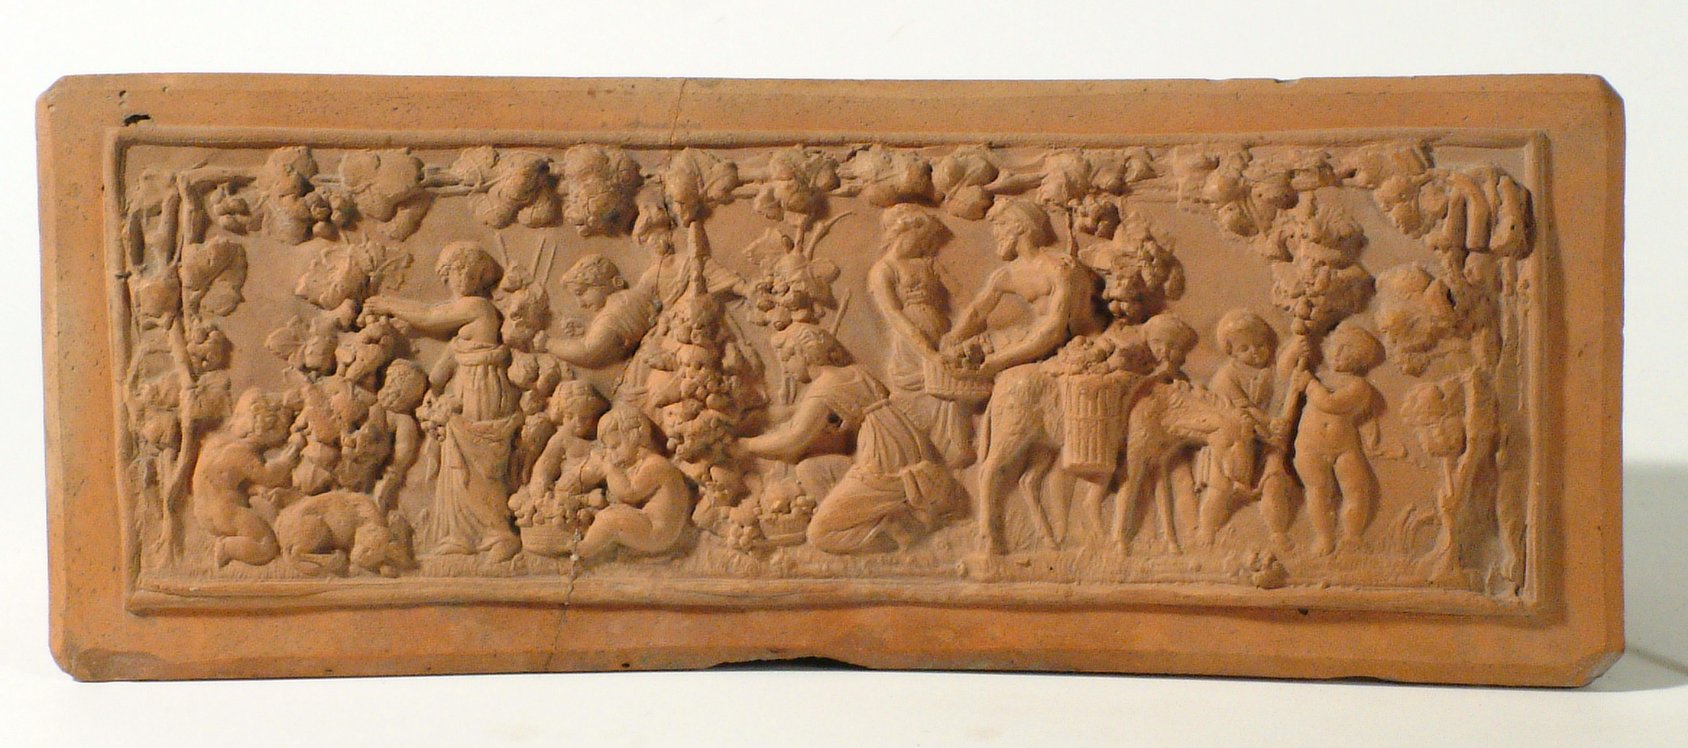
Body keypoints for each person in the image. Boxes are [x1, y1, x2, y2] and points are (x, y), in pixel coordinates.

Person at [743, 323, 965, 554]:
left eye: (787, 360)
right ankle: (884, 514)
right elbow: (854, 416)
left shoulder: (824, 387)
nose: (787, 369)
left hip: (882, 456)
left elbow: (793, 439)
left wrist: (748, 445)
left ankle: (904, 531)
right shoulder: (856, 372)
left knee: (820, 535)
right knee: (810, 469)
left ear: (803, 354)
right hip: (901, 441)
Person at [366, 241, 521, 560]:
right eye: (452, 273)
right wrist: (431, 391)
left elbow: (429, 315)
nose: (458, 279)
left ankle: (499, 533)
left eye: (464, 271)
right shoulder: (465, 324)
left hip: (482, 390)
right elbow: (447, 362)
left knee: (480, 460)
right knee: (455, 460)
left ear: (477, 274)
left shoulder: (479, 307)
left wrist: (387, 303)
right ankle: (460, 535)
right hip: (465, 389)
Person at [946, 198, 1102, 376]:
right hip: (1036, 342)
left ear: (1019, 226)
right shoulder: (1006, 275)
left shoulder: (1060, 269)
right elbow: (976, 312)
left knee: (1012, 381)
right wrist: (951, 340)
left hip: (1079, 346)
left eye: (1000, 225)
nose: (996, 233)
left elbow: (1053, 331)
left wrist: (999, 360)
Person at [867, 204, 973, 466]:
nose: (926, 244)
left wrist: (961, 333)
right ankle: (920, 456)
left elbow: (964, 298)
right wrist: (929, 353)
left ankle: (955, 455)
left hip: (943, 336)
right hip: (911, 347)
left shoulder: (929, 265)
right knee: (921, 399)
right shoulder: (884, 269)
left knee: (950, 394)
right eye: (923, 237)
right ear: (903, 231)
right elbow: (894, 314)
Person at [1290, 321, 1385, 555]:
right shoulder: (1318, 375)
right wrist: (1296, 348)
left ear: (1361, 360)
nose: (1340, 354)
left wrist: (1309, 385)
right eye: (1337, 347)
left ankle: (1352, 536)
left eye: (1349, 351)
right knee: (1317, 491)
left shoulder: (1358, 386)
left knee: (1356, 489)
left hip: (1344, 448)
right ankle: (1324, 537)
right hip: (1309, 447)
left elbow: (1331, 403)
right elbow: (1286, 374)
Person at [191, 389, 300, 567]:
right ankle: (226, 548)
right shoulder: (240, 453)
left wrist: (255, 489)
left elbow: (224, 478)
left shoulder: (216, 442)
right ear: (267, 429)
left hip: (204, 509)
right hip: (226, 512)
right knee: (266, 544)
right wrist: (286, 461)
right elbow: (270, 476)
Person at [574, 405, 693, 561]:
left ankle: (582, 549)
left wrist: (609, 470)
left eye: (615, 446)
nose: (611, 454)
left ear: (634, 436)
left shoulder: (656, 465)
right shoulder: (641, 465)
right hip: (650, 525)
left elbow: (629, 493)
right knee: (611, 515)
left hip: (656, 532)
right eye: (608, 449)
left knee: (609, 519)